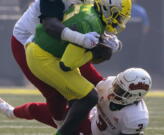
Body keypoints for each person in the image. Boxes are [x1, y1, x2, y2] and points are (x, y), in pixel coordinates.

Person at [24, 0, 132, 134]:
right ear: (108, 10)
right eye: (118, 16)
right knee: (90, 97)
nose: (119, 21)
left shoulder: (91, 14)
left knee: (79, 97)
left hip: (47, 52)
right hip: (43, 57)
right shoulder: (91, 23)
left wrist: (99, 44)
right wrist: (94, 51)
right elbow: (67, 64)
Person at [12, 0, 105, 125]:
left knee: (97, 82)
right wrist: (81, 39)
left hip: (61, 42)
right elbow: (50, 26)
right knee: (56, 95)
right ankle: (61, 124)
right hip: (29, 43)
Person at [0, 67, 152, 135]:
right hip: (89, 121)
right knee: (40, 109)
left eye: (121, 91)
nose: (114, 90)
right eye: (117, 85)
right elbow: (88, 72)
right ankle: (10, 112)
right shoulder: (109, 84)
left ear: (135, 96)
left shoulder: (135, 117)